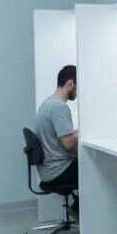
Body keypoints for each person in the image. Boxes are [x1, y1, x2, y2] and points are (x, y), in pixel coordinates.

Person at [35, 64, 79, 210]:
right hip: (58, 170)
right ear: (70, 83)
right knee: (97, 171)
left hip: (48, 170)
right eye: (77, 87)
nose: (77, 93)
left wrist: (76, 132)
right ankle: (77, 210)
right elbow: (68, 143)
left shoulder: (47, 103)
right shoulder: (59, 107)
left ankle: (77, 210)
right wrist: (84, 133)